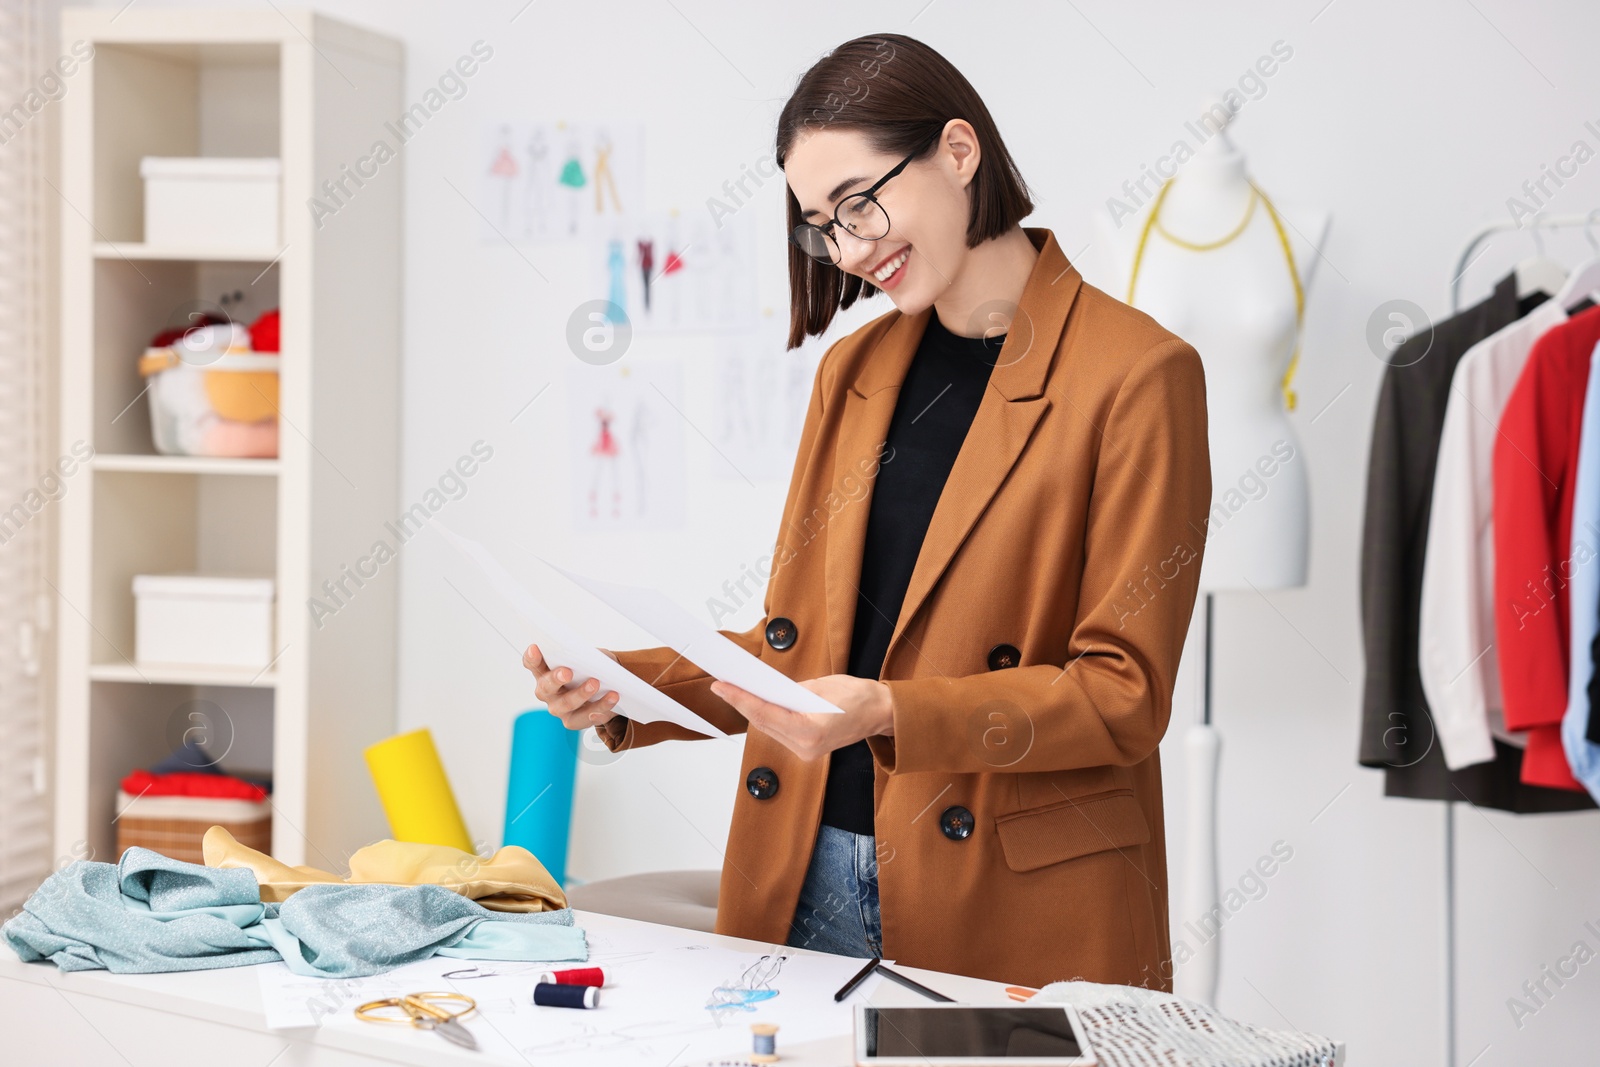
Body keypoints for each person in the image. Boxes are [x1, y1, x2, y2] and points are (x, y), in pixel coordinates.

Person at [523, 32, 1211, 991]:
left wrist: (892, 712)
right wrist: (623, 688)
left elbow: (1123, 693)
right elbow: (802, 649)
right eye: (821, 223)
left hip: (1008, 899)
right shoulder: (856, 370)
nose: (850, 247)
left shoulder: (1137, 374)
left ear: (958, 152)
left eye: (860, 203)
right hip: (807, 862)